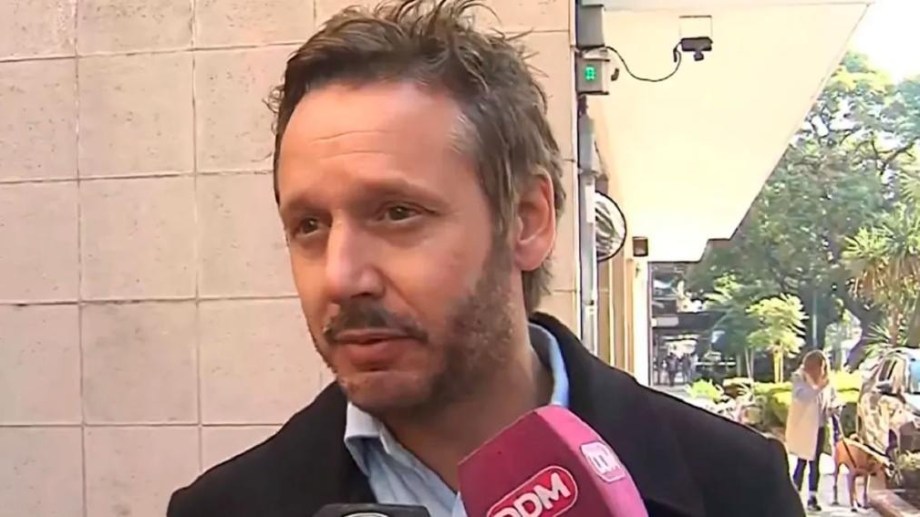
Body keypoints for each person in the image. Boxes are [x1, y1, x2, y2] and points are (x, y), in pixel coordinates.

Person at [166, 1, 804, 515]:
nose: (341, 276)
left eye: (396, 213)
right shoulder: (223, 509)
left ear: (527, 219)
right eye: (309, 226)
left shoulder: (733, 485)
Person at [786, 350, 839, 512]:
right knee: (802, 462)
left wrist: (834, 407)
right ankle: (793, 496)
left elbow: (832, 397)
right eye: (820, 366)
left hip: (819, 427)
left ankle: (812, 497)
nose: (822, 370)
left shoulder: (826, 380)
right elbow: (801, 397)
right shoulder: (800, 378)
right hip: (804, 428)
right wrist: (817, 389)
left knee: (815, 464)